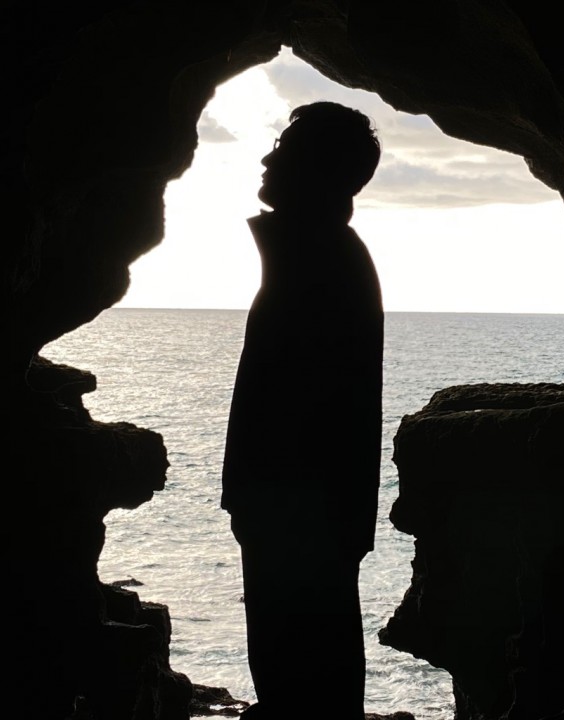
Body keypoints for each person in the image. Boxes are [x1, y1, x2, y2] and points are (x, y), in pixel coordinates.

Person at [221, 101, 384, 719]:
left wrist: (259, 496)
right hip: (297, 508)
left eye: (285, 150)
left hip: (298, 510)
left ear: (318, 170)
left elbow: (306, 408)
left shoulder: (320, 261)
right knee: (299, 666)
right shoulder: (316, 256)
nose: (268, 160)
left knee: (303, 670)